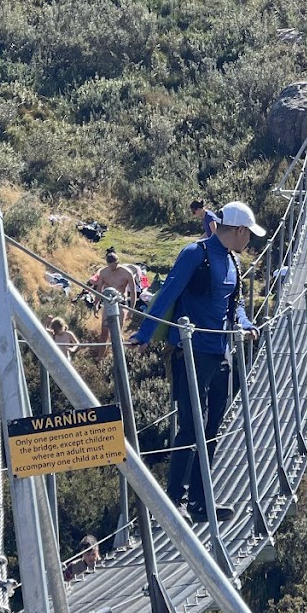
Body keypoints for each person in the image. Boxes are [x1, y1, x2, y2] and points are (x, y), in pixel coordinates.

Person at [128, 202, 264, 523]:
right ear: (240, 230)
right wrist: (145, 333)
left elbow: (236, 305)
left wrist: (245, 324)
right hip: (190, 354)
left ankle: (201, 503)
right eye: (250, 235)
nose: (250, 241)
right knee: (192, 427)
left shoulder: (233, 261)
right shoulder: (195, 254)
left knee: (212, 430)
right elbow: (168, 292)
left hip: (221, 357)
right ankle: (174, 502)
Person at [90, 250, 138, 327]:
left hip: (121, 302)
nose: (111, 268)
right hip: (108, 301)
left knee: (118, 328)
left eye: (113, 266)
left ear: (117, 262)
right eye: (109, 266)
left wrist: (131, 309)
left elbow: (133, 291)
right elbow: (99, 289)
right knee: (105, 328)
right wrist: (96, 304)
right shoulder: (103, 272)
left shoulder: (127, 273)